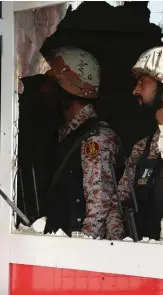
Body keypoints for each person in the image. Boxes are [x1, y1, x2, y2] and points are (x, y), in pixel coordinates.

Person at [39, 46, 123, 239]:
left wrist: (80, 253)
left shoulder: (95, 138)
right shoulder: (66, 134)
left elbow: (98, 209)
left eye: (51, 84)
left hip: (77, 254)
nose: (44, 91)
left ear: (67, 87)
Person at [106, 46, 163, 240]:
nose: (135, 90)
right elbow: (116, 206)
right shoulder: (142, 148)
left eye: (143, 82)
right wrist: (122, 245)